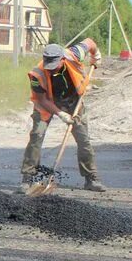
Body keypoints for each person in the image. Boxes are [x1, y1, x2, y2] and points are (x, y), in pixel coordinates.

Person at [20, 39, 105, 193]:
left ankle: (91, 178)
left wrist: (95, 55)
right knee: (36, 136)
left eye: (55, 66)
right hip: (47, 103)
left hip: (74, 101)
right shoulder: (36, 75)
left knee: (83, 139)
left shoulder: (74, 54)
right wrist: (60, 114)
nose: (51, 70)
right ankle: (27, 179)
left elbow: (90, 42)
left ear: (63, 59)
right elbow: (41, 100)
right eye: (49, 66)